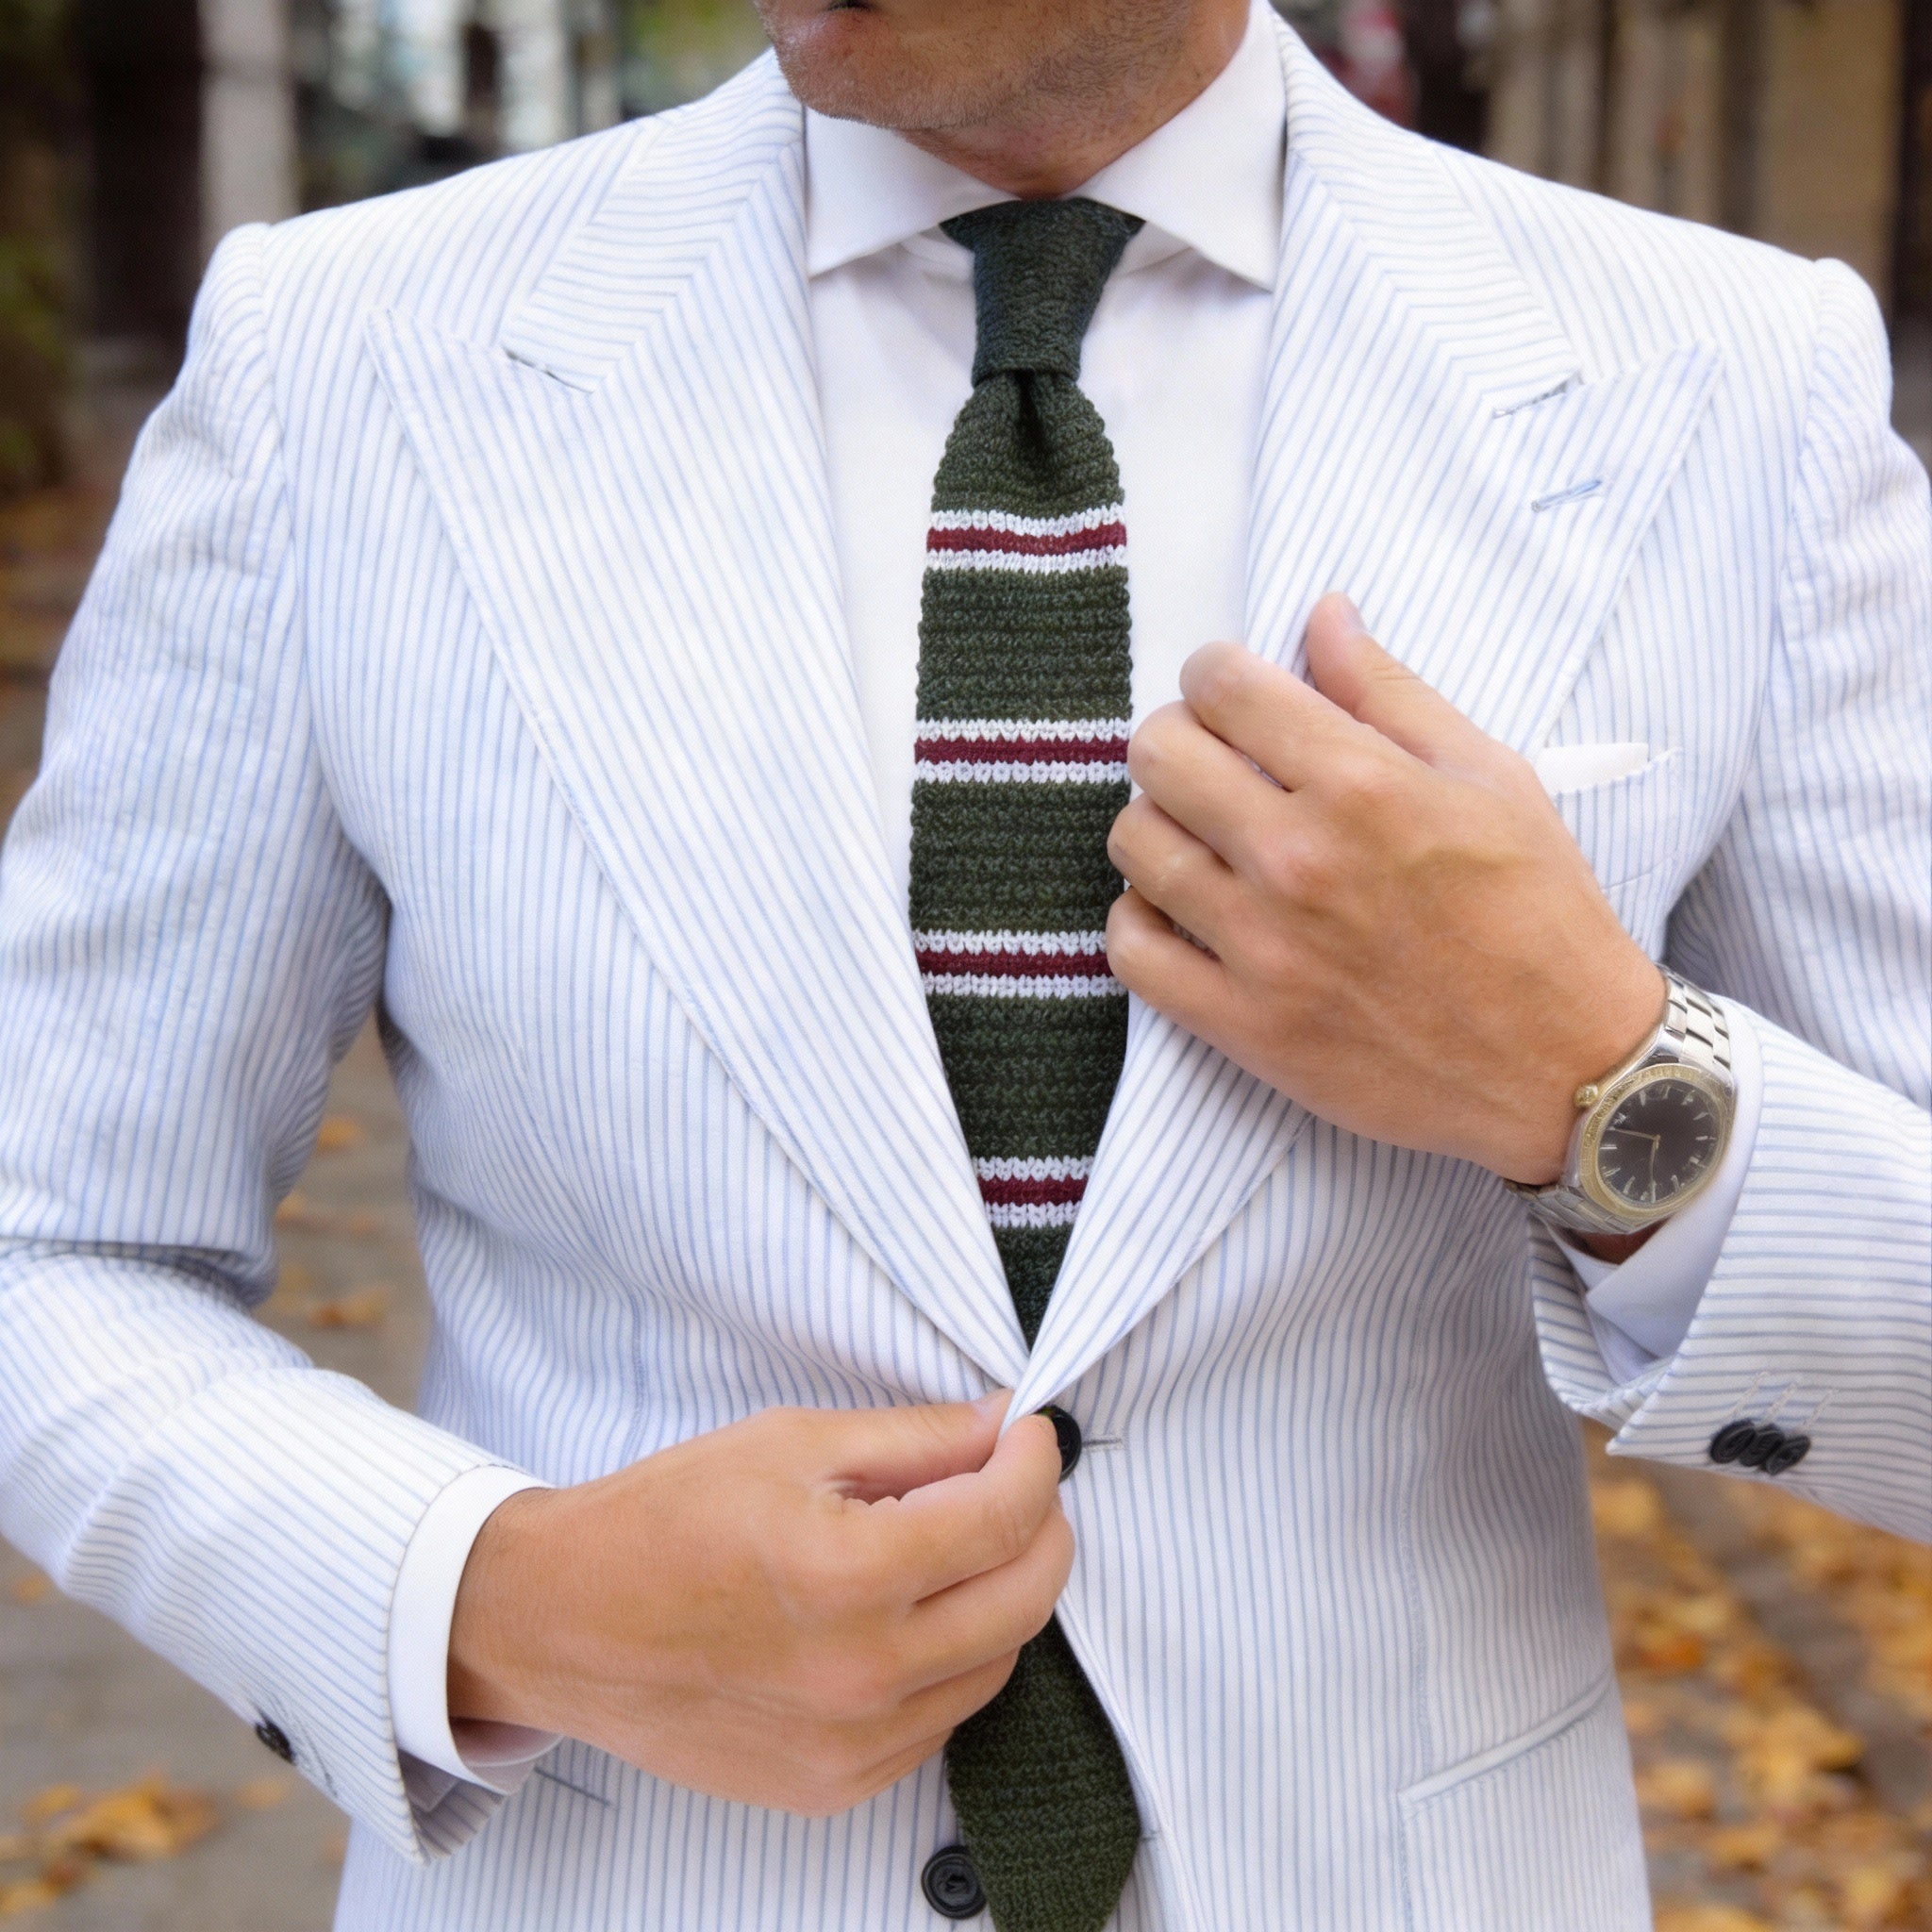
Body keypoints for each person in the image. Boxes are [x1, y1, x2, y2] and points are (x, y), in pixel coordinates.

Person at [0, 0, 1924, 1926]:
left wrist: (1599, 1082)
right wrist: (490, 1600)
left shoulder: (1730, 384)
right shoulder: (339, 359)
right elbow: (51, 1238)